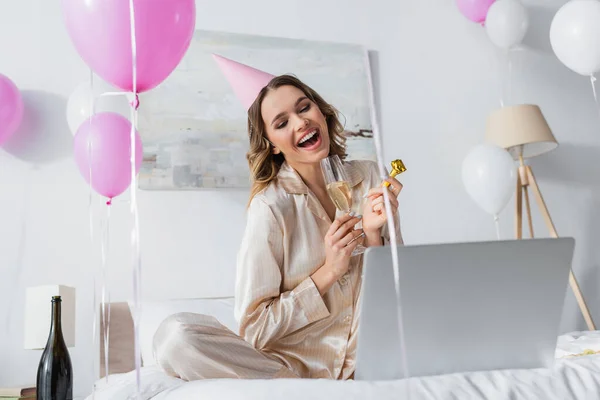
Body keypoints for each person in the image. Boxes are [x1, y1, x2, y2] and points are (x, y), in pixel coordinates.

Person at [153, 55, 404, 381]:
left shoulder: (371, 177)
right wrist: (328, 272)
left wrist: (373, 237)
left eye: (303, 108)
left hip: (370, 359)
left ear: (321, 111)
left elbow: (399, 295)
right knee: (175, 339)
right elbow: (254, 331)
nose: (300, 123)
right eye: (282, 122)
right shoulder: (270, 208)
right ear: (271, 144)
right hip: (288, 374)